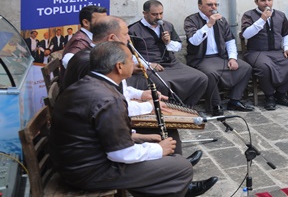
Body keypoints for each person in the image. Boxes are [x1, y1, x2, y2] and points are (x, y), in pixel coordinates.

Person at [50, 42, 217, 197]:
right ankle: (178, 189)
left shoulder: (88, 84)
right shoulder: (109, 99)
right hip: (88, 172)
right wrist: (158, 149)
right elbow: (121, 154)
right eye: (131, 59)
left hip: (75, 164)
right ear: (119, 66)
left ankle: (169, 187)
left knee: (166, 155)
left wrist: (141, 138)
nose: (135, 64)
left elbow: (99, 133)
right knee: (181, 167)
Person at [62, 16, 203, 162]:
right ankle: (173, 167)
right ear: (112, 38)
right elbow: (108, 105)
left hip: (100, 122)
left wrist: (141, 94)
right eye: (125, 34)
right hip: (94, 138)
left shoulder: (99, 55)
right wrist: (148, 106)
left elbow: (118, 90)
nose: (128, 39)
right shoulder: (91, 62)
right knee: (162, 124)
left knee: (166, 125)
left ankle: (175, 164)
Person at [128, 0, 208, 108]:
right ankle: (167, 109)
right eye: (154, 14)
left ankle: (186, 107)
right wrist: (148, 65)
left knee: (201, 78)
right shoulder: (133, 30)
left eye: (161, 13)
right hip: (150, 66)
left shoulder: (167, 25)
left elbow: (179, 46)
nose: (159, 17)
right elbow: (130, 55)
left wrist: (168, 42)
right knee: (162, 84)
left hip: (171, 63)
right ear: (145, 13)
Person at [184, 0, 254, 115]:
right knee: (209, 74)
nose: (213, 7)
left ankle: (235, 100)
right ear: (200, 6)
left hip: (220, 57)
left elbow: (230, 40)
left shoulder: (221, 20)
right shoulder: (191, 20)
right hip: (201, 59)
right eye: (209, 4)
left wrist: (232, 58)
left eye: (215, 4)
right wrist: (209, 24)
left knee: (246, 68)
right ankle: (215, 105)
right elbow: (194, 41)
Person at [241, 0, 288, 111]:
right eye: (263, 0)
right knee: (264, 67)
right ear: (256, 2)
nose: (267, 3)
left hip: (277, 51)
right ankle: (269, 96)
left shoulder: (280, 15)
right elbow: (246, 34)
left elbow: (287, 33)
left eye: (269, 0)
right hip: (256, 52)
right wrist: (262, 19)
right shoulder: (249, 15)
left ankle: (280, 94)